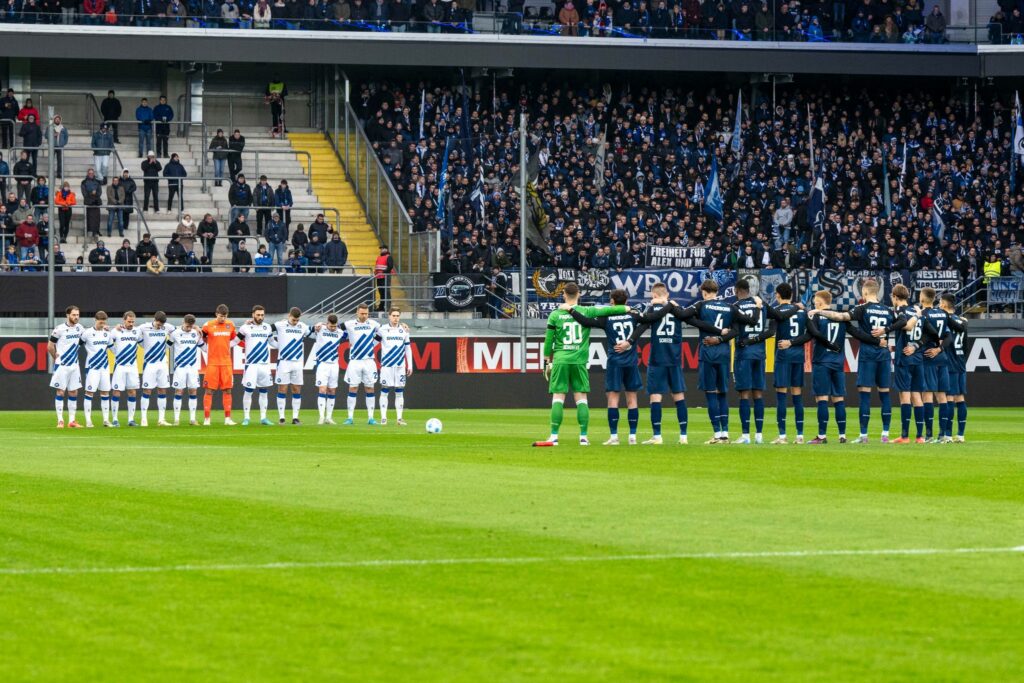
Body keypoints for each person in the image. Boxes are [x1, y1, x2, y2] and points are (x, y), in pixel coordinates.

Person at [810, 278, 896, 443]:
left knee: (864, 395)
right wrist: (886, 331)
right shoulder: (887, 310)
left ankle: (862, 435)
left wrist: (818, 312)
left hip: (864, 355)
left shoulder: (861, 308)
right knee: (884, 394)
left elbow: (840, 317)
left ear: (864, 292)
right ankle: (884, 435)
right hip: (883, 355)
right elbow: (902, 322)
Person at [568, 288, 647, 445]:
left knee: (612, 399)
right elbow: (645, 324)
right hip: (631, 361)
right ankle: (633, 437)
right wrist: (630, 341)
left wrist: (571, 310)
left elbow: (586, 321)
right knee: (632, 399)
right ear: (626, 301)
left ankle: (614, 437)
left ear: (612, 301)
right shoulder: (633, 314)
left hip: (615, 362)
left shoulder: (607, 317)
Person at [732, 279, 778, 444]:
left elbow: (734, 329)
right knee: (758, 393)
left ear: (737, 290)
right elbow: (777, 319)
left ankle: (745, 436)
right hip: (759, 354)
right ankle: (759, 435)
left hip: (744, 354)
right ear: (749, 289)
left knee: (744, 394)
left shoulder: (736, 307)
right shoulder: (762, 304)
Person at [769, 283, 809, 444]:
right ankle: (800, 436)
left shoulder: (776, 312)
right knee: (797, 395)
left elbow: (771, 332)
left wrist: (787, 343)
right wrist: (793, 342)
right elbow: (810, 335)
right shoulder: (801, 312)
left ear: (777, 295)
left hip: (783, 356)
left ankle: (782, 436)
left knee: (781, 395)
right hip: (798, 355)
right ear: (791, 295)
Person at [806, 290, 847, 444]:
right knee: (838, 398)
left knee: (822, 398)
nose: (814, 304)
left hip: (822, 361)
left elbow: (814, 334)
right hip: (838, 362)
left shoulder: (817, 316)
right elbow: (856, 332)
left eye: (816, 301)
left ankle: (822, 436)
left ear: (820, 302)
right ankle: (842, 435)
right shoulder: (841, 317)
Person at [885, 285, 924, 444]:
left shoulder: (901, 312)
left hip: (904, 359)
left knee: (905, 396)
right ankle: (920, 437)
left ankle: (905, 436)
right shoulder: (915, 311)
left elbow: (906, 326)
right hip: (918, 359)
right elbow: (928, 336)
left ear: (895, 296)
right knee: (917, 397)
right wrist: (917, 346)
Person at [918, 286, 952, 443]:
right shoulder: (943, 314)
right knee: (942, 396)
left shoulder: (923, 314)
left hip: (928, 357)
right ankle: (943, 435)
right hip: (941, 357)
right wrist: (940, 349)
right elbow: (948, 336)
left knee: (928, 396)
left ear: (923, 298)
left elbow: (926, 335)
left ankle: (929, 435)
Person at [338, 303, 381, 425]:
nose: (364, 316)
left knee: (370, 388)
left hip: (369, 361)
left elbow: (384, 332)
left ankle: (371, 418)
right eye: (362, 313)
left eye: (366, 313)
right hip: (355, 361)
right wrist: (320, 326)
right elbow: (334, 327)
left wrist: (372, 345)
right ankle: (350, 417)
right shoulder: (349, 324)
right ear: (357, 312)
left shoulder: (373, 324)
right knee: (353, 387)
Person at [236, 304, 276, 426]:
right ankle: (246, 418)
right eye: (258, 315)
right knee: (248, 391)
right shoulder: (245, 328)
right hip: (251, 365)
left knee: (264, 391)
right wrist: (222, 347)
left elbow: (272, 342)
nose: (260, 317)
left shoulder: (267, 328)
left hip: (264, 365)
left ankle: (263, 418)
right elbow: (235, 341)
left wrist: (283, 346)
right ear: (253, 314)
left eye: (262, 315)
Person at [48, 305, 85, 429]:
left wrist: (107, 328)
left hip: (74, 365)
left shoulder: (80, 328)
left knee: (73, 392)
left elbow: (89, 335)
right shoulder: (59, 329)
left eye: (78, 315)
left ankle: (72, 421)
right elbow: (50, 346)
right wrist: (56, 358)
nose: (76, 317)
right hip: (62, 365)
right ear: (68, 315)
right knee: (60, 391)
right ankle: (60, 420)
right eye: (74, 315)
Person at [135, 311, 175, 427]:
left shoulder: (167, 327)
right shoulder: (144, 327)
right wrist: (120, 327)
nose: (160, 326)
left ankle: (161, 419)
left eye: (161, 325)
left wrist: (168, 344)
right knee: (147, 390)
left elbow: (178, 331)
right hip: (149, 364)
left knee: (162, 390)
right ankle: (143, 419)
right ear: (154, 320)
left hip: (162, 363)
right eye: (158, 324)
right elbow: (134, 333)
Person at [376, 307, 412, 426]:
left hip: (400, 366)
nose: (396, 318)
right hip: (387, 365)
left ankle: (399, 419)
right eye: (394, 316)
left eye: (397, 316)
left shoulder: (404, 330)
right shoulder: (383, 329)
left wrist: (409, 365)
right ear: (389, 316)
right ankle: (383, 418)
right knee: (384, 390)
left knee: (399, 391)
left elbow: (407, 348)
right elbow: (373, 340)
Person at [201, 304, 237, 426]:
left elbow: (234, 340)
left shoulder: (230, 325)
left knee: (228, 390)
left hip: (226, 363)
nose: (223, 319)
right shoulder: (208, 325)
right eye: (221, 316)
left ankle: (227, 419)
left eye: (225, 316)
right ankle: (207, 419)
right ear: (216, 314)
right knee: (209, 390)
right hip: (212, 363)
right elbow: (201, 337)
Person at [940, 294, 968, 443]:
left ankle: (948, 435)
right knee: (960, 398)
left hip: (949, 362)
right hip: (960, 362)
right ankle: (961, 435)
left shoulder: (945, 320)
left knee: (949, 398)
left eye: (940, 303)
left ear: (944, 305)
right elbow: (966, 345)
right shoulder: (962, 321)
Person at [310, 313, 346, 424]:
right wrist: (317, 325)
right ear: (327, 323)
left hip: (334, 364)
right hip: (322, 364)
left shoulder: (340, 332)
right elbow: (309, 331)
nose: (333, 328)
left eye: (335, 326)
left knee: (332, 390)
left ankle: (329, 417)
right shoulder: (320, 329)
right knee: (322, 389)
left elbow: (353, 334)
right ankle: (321, 417)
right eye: (331, 326)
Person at [169, 314, 204, 425]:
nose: (189, 329)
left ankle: (192, 419)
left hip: (193, 368)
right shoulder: (175, 333)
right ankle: (176, 419)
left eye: (191, 326)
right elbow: (167, 345)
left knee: (193, 391)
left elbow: (203, 347)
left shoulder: (196, 333)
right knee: (178, 391)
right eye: (187, 326)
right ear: (183, 322)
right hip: (180, 368)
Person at [81, 311, 114, 428]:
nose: (102, 325)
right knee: (89, 393)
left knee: (105, 392)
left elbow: (112, 349)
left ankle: (106, 420)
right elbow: (77, 345)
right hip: (92, 368)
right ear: (95, 321)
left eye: (104, 322)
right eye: (100, 322)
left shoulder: (107, 334)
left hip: (104, 367)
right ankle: (88, 421)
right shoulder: (87, 333)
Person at [110, 310, 143, 427]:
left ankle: (131, 419)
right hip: (120, 366)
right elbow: (108, 342)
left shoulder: (137, 332)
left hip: (133, 367)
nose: (131, 324)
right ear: (124, 320)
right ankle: (114, 419)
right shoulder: (116, 331)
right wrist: (116, 353)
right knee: (116, 391)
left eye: (133, 322)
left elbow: (143, 344)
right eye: (129, 321)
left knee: (132, 392)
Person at [81, 169, 103, 237]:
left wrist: (95, 194)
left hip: (96, 202)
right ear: (87, 174)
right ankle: (89, 231)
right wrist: (91, 193)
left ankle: (96, 231)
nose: (91, 174)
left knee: (97, 218)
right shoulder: (84, 182)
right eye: (89, 173)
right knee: (89, 218)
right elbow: (84, 193)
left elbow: (99, 192)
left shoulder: (97, 182)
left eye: (92, 173)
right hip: (89, 202)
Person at [374, 244, 395, 311]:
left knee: (386, 292)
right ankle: (381, 307)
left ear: (386, 249)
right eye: (381, 249)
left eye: (382, 248)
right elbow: (377, 266)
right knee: (381, 292)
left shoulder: (388, 257)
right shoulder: (379, 257)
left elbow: (390, 266)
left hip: (385, 277)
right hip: (379, 277)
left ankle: (388, 307)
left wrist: (384, 272)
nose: (381, 250)